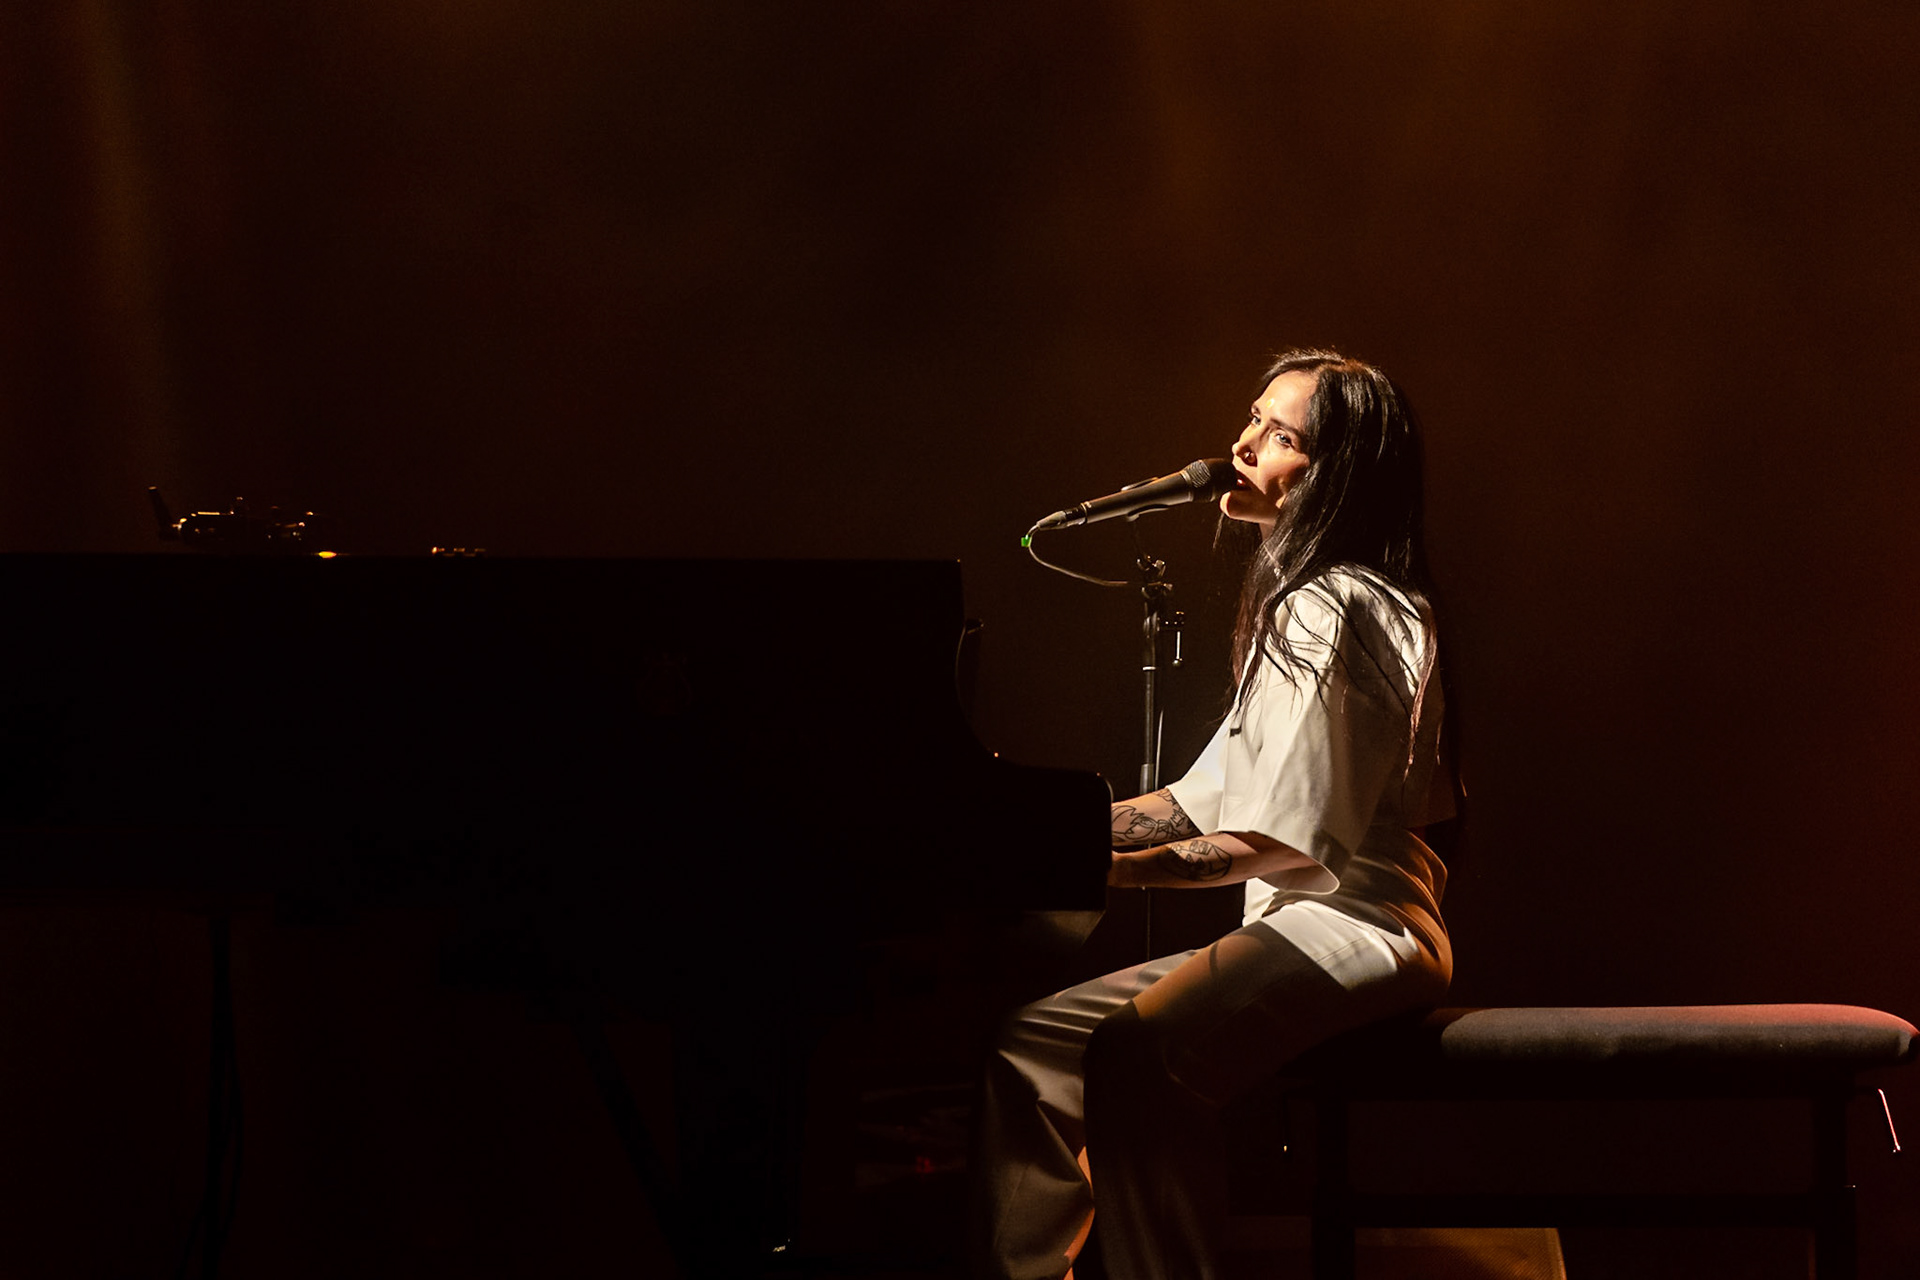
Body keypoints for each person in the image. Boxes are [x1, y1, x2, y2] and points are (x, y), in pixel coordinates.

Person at [971, 349, 1455, 1280]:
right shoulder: (1307, 602)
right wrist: (1023, 826)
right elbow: (1195, 804)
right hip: (1306, 921)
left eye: (1280, 436)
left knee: (1140, 1056)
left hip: (1363, 924)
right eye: (1253, 419)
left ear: (1336, 471)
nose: (1239, 445)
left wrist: (1069, 863)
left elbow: (1270, 839)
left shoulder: (1336, 603)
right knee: (1034, 1048)